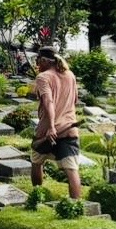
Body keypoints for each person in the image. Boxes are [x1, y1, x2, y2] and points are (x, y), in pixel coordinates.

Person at [29, 46, 82, 199]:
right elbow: (75, 100)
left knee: (36, 160)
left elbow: (48, 101)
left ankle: (37, 196)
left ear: (45, 60)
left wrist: (52, 126)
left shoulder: (43, 77)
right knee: (72, 170)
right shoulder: (70, 75)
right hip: (69, 129)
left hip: (47, 131)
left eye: (38, 61)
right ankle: (76, 206)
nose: (37, 64)